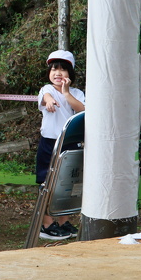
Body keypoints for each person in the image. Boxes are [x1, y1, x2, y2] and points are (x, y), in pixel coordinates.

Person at [36, 50, 85, 240]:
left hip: (71, 143)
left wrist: (66, 93)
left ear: (70, 73)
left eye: (63, 69)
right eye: (54, 69)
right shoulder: (46, 89)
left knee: (68, 184)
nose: (57, 73)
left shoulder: (77, 93)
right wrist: (50, 101)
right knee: (47, 182)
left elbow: (82, 109)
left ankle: (64, 221)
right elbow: (46, 98)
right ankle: (47, 224)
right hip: (50, 143)